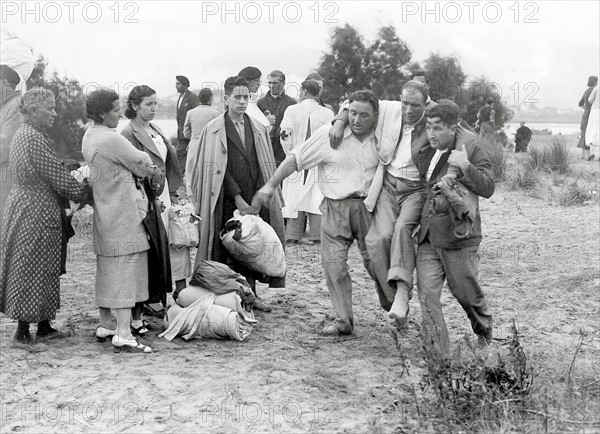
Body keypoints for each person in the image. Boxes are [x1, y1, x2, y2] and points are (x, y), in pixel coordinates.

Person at [257, 90, 381, 335]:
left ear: (375, 116)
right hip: (335, 208)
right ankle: (343, 320)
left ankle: (392, 300)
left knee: (378, 265)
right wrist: (271, 184)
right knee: (333, 266)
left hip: (371, 209)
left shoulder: (383, 136)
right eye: (352, 113)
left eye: (363, 115)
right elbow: (296, 158)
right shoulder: (329, 135)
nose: (356, 120)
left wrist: (342, 116)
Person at [328, 81, 434, 328]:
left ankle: (401, 292)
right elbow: (352, 103)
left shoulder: (433, 118)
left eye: (415, 105)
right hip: (388, 185)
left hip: (416, 189)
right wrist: (339, 122)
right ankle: (394, 299)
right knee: (377, 239)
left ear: (426, 104)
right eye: (405, 103)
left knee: (401, 231)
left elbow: (457, 130)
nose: (408, 109)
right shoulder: (390, 109)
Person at [0, 88, 90, 344]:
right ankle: (23, 329)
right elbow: (57, 176)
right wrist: (83, 190)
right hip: (35, 208)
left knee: (40, 264)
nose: (54, 112)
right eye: (49, 108)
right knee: (32, 265)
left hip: (26, 204)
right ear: (33, 110)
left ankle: (43, 324)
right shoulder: (33, 138)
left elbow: (50, 170)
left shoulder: (26, 134)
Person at [188, 76, 285, 312]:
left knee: (252, 246)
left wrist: (255, 198)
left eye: (246, 97)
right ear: (226, 99)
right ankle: (231, 296)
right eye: (237, 97)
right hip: (225, 197)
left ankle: (252, 295)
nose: (242, 102)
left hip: (254, 196)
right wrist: (238, 197)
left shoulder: (257, 127)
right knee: (227, 248)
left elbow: (263, 164)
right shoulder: (213, 130)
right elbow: (217, 168)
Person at [82, 89, 159, 353]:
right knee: (127, 269)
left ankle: (106, 324)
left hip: (105, 212)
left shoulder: (89, 136)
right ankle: (124, 332)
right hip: (124, 214)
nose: (119, 114)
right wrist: (147, 168)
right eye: (115, 109)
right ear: (103, 112)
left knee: (107, 269)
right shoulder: (111, 139)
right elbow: (142, 163)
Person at [417, 103, 494, 356]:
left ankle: (483, 328)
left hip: (460, 236)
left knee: (465, 293)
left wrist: (465, 166)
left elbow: (488, 187)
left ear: (453, 129)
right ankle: (439, 355)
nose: (431, 134)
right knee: (427, 295)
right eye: (428, 127)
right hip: (429, 235)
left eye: (437, 128)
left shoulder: (470, 147)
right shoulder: (428, 151)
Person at [121, 85, 189, 317]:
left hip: (164, 191)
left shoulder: (155, 129)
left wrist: (172, 192)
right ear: (135, 106)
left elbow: (168, 161)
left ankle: (169, 293)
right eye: (149, 104)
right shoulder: (128, 134)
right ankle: (150, 298)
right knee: (152, 245)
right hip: (146, 195)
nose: (154, 108)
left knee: (169, 241)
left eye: (155, 103)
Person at [279, 79, 333, 244]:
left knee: (295, 193)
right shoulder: (327, 113)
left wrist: (290, 153)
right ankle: (317, 234)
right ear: (317, 94)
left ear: (302, 91)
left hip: (297, 155)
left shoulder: (292, 109)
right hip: (318, 159)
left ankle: (293, 234)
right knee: (316, 194)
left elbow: (285, 132)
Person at [184, 88, 220, 198]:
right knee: (207, 171)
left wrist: (194, 137)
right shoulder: (215, 113)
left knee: (190, 171)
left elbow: (186, 133)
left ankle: (191, 196)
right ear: (210, 99)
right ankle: (206, 195)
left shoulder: (190, 112)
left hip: (194, 143)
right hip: (209, 144)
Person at [257, 70, 297, 165]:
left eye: (275, 83)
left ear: (283, 83)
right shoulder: (260, 103)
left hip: (283, 152)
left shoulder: (291, 104)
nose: (271, 86)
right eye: (269, 83)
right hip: (264, 151)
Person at [0, 65, 23, 222]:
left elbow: (5, 147)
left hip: (7, 180)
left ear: (3, 83)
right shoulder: (5, 106)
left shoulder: (16, 106)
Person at [175, 75, 199, 177]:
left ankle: (184, 178)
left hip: (190, 134)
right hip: (181, 134)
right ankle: (181, 178)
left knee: (188, 157)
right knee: (180, 155)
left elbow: (197, 114)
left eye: (178, 84)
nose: (176, 86)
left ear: (185, 85)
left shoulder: (192, 97)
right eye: (175, 84)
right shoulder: (180, 97)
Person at [237, 66, 271, 130]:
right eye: (256, 81)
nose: (259, 84)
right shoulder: (239, 102)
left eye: (259, 81)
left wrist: (262, 116)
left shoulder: (249, 99)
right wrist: (267, 121)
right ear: (246, 81)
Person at [577, 76, 598, 159]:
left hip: (585, 114)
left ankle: (582, 155)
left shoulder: (586, 91)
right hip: (592, 114)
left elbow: (580, 103)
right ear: (595, 82)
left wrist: (586, 108)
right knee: (590, 133)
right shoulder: (594, 91)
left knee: (583, 133)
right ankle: (588, 154)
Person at [585, 82, 599, 161]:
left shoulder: (597, 88)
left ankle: (592, 153)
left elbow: (590, 100)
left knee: (592, 130)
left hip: (595, 111)